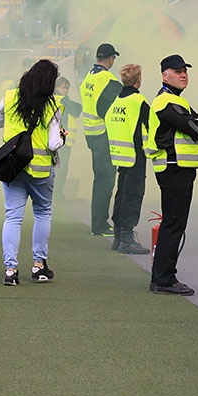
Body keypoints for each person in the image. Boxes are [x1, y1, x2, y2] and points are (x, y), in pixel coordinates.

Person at [0, 60, 66, 286]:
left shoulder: (11, 96)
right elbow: (53, 144)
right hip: (41, 169)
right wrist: (62, 136)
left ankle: (11, 269)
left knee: (13, 216)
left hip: (13, 167)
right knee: (42, 213)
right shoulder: (53, 105)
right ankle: (39, 265)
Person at [146, 54, 198, 295]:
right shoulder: (166, 101)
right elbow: (197, 127)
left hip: (177, 167)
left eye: (185, 71)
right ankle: (163, 278)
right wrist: (197, 122)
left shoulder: (175, 101)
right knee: (173, 223)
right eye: (178, 71)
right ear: (165, 75)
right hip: (174, 167)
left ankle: (163, 276)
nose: (184, 75)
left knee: (173, 223)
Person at [105, 63, 150, 255]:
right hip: (135, 155)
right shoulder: (138, 101)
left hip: (119, 156)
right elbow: (152, 126)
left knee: (122, 194)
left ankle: (118, 236)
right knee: (133, 196)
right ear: (138, 80)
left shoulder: (116, 102)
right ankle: (127, 238)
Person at [81, 43, 122, 237]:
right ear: (111, 58)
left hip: (91, 134)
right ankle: (100, 225)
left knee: (100, 181)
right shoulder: (108, 80)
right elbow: (112, 109)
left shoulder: (89, 76)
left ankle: (98, 223)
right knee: (105, 183)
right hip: (103, 137)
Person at [54, 77, 81, 201]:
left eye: (67, 88)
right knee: (61, 169)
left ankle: (57, 193)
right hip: (62, 141)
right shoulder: (62, 100)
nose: (66, 90)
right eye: (63, 87)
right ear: (56, 88)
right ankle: (58, 194)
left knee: (59, 168)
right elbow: (77, 109)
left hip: (61, 140)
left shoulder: (62, 100)